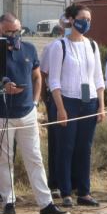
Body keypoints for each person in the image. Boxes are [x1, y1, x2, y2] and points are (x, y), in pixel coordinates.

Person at [0, 14, 66, 214]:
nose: (13, 35)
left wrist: (36, 102)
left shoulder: (29, 48)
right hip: (3, 115)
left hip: (27, 112)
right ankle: (8, 202)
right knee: (5, 159)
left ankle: (46, 204)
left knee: (35, 158)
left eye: (16, 31)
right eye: (8, 32)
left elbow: (37, 77)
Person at [48, 4, 105, 207]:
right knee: (66, 148)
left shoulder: (92, 45)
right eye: (82, 18)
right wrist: (61, 109)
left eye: (89, 19)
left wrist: (101, 105)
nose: (86, 22)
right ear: (71, 20)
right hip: (67, 102)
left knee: (84, 148)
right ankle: (65, 192)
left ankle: (84, 192)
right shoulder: (59, 46)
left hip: (89, 102)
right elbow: (53, 81)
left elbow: (98, 78)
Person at [39, 13, 71, 199]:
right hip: (56, 98)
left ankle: (72, 182)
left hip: (77, 99)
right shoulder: (53, 47)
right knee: (57, 144)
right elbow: (43, 75)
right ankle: (55, 184)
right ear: (60, 26)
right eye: (65, 23)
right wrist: (46, 99)